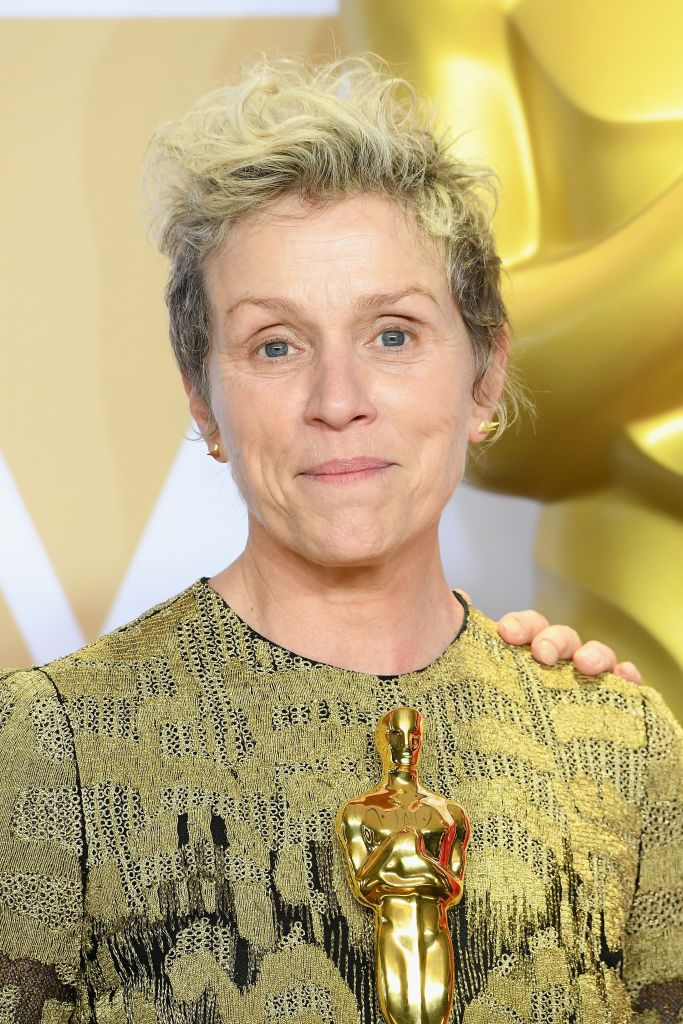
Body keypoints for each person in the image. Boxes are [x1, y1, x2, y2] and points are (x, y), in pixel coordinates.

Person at [0, 53, 679, 1024]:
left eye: (392, 334)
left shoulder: (619, 747)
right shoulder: (51, 745)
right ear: (205, 400)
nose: (338, 401)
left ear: (483, 376)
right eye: (274, 345)